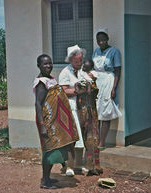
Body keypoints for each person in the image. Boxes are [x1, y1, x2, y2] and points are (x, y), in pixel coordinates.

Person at [34, 54, 79, 189]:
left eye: (50, 63)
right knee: (49, 150)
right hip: (47, 121)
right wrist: (42, 125)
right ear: (39, 66)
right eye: (45, 64)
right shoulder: (42, 82)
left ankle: (47, 177)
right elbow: (38, 104)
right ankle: (45, 181)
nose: (48, 66)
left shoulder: (50, 79)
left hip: (54, 120)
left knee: (55, 148)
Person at [58, 45, 88, 176]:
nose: (79, 63)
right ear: (70, 60)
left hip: (82, 107)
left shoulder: (82, 71)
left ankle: (79, 165)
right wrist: (76, 91)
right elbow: (63, 91)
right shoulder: (65, 72)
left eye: (80, 60)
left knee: (82, 137)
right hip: (70, 108)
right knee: (72, 137)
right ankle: (69, 166)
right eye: (76, 61)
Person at [92, 29, 122, 149]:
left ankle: (102, 142)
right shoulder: (96, 52)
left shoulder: (114, 51)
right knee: (96, 111)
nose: (101, 42)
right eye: (99, 40)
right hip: (97, 81)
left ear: (107, 39)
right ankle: (95, 139)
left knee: (105, 112)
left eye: (103, 40)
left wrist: (114, 88)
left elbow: (118, 71)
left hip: (108, 81)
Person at [75, 59, 103, 175]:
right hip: (83, 113)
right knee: (86, 139)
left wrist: (89, 87)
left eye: (88, 68)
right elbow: (78, 92)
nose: (86, 70)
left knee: (94, 138)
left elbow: (94, 92)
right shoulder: (79, 81)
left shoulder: (93, 81)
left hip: (92, 112)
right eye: (84, 68)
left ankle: (94, 165)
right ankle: (86, 166)